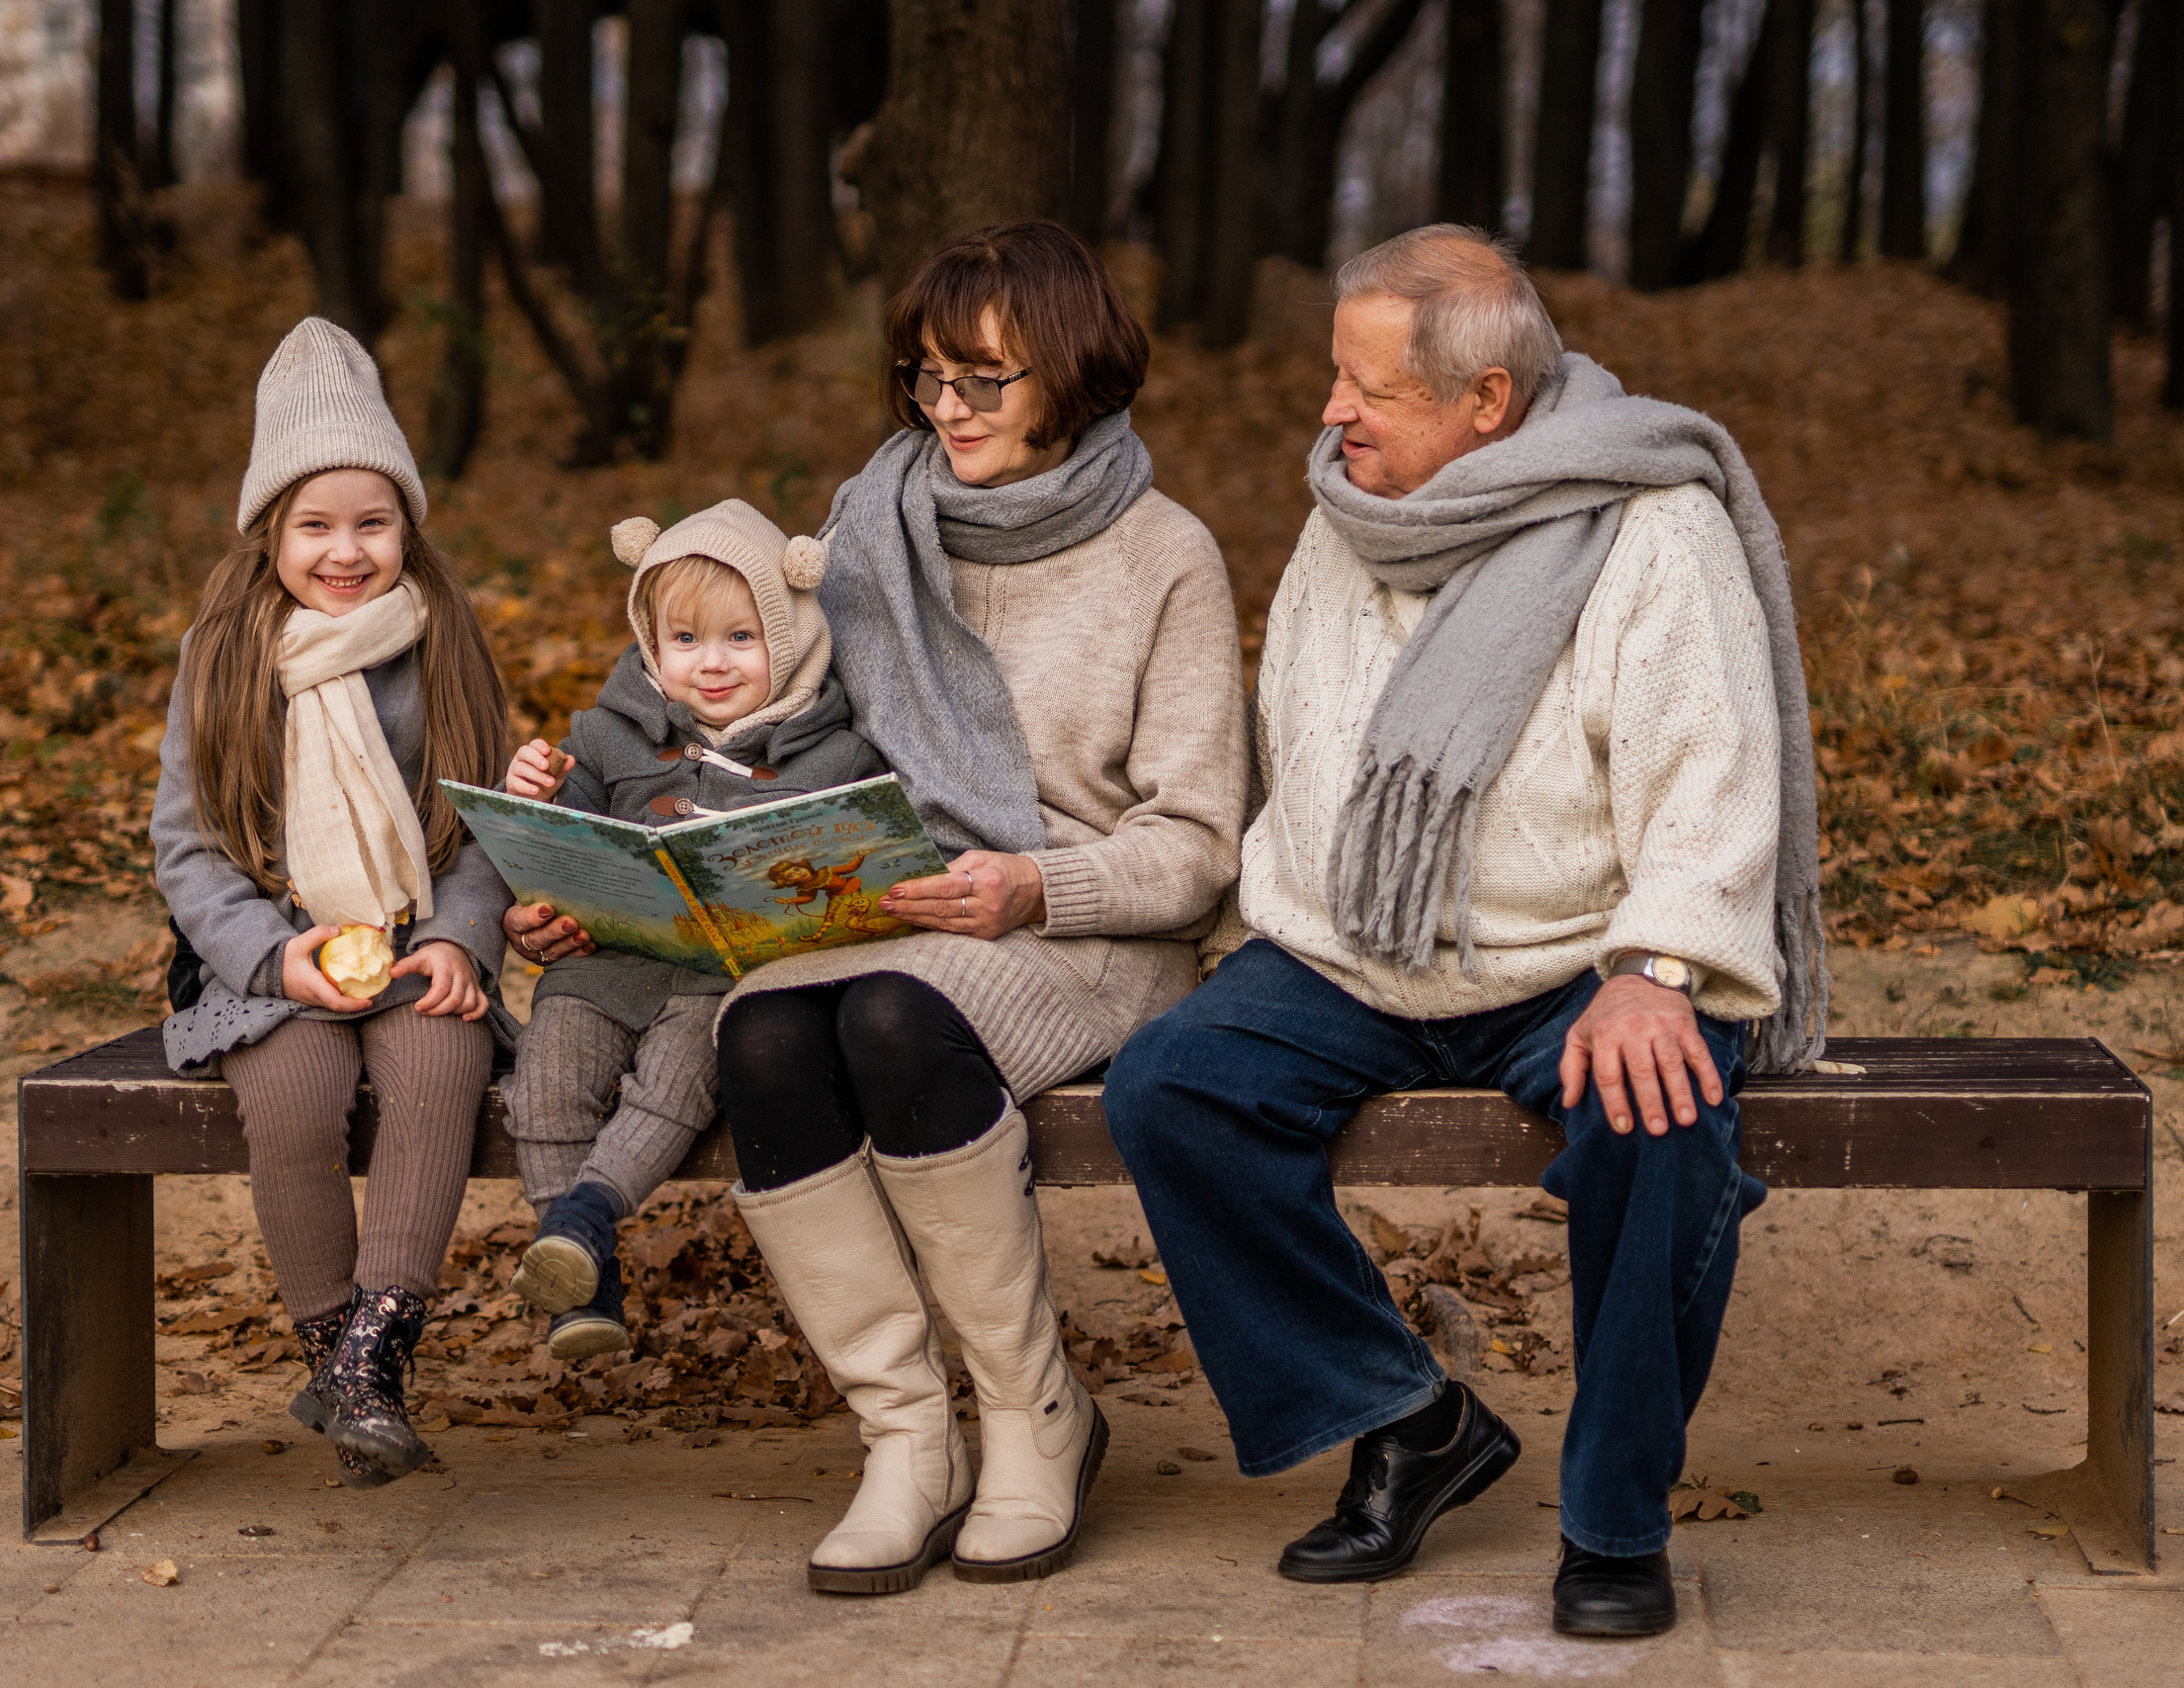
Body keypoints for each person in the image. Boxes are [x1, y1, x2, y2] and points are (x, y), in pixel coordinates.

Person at [1104, 225, 1826, 1639]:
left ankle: (1616, 1517)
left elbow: (1712, 772)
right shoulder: (1349, 511)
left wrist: (1658, 970)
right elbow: (1305, 740)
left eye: (1365, 388)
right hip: (1359, 945)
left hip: (1584, 953)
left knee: (1663, 1118)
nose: (1329, 412)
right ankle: (1407, 1412)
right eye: (1334, 374)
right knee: (1171, 1085)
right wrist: (1315, 909)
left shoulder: (1647, 524)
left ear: (1486, 401)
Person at [708, 220, 1249, 1595]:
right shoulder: (864, 531)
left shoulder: (1163, 553)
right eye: (925, 380)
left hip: (1087, 930)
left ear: (1069, 377)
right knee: (762, 1038)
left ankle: (1033, 1417)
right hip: (898, 906)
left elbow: (1196, 844)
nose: (944, 412)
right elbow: (776, 725)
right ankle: (906, 1438)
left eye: (981, 382)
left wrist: (1030, 885)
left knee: (895, 1021)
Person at [153, 317, 513, 1488]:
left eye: (374, 522)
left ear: (409, 524)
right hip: (279, 956)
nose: (346, 551)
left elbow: (479, 827)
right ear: (271, 533)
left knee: (440, 1072)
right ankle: (337, 1354)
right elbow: (189, 849)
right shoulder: (224, 653)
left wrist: (460, 938)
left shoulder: (444, 641)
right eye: (316, 526)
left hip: (413, 942)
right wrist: (272, 958)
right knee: (300, 1102)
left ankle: (371, 1356)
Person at [493, 500, 883, 1361]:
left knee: (677, 1074)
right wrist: (539, 795)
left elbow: (858, 873)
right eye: (686, 640)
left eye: (741, 638)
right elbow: (563, 850)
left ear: (786, 638)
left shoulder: (836, 755)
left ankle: (587, 1219)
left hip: (730, 982)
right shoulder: (603, 737)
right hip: (608, 964)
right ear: (651, 646)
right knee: (548, 1071)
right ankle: (581, 1289)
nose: (712, 664)